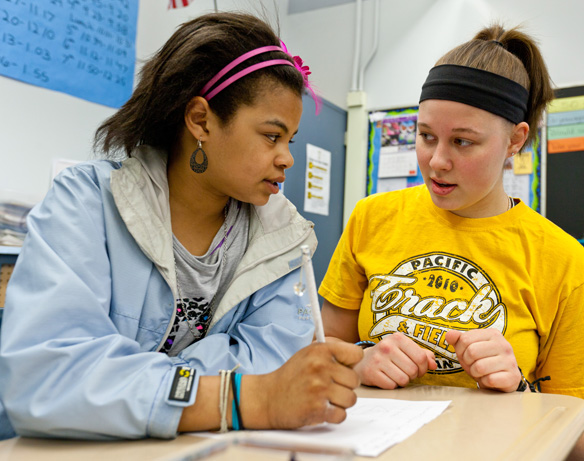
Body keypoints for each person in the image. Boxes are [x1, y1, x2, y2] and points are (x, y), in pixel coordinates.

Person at [0, 12, 362, 440]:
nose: (287, 158)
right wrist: (244, 397)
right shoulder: (86, 204)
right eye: (271, 136)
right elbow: (47, 380)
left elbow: (283, 368)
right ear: (201, 120)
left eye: (290, 140)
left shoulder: (283, 237)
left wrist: (121, 384)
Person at [319, 24, 584, 460]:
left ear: (515, 140)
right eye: (426, 136)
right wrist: (359, 361)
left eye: (463, 142)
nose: (437, 161)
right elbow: (319, 355)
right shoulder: (372, 218)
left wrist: (522, 390)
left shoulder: (563, 261)